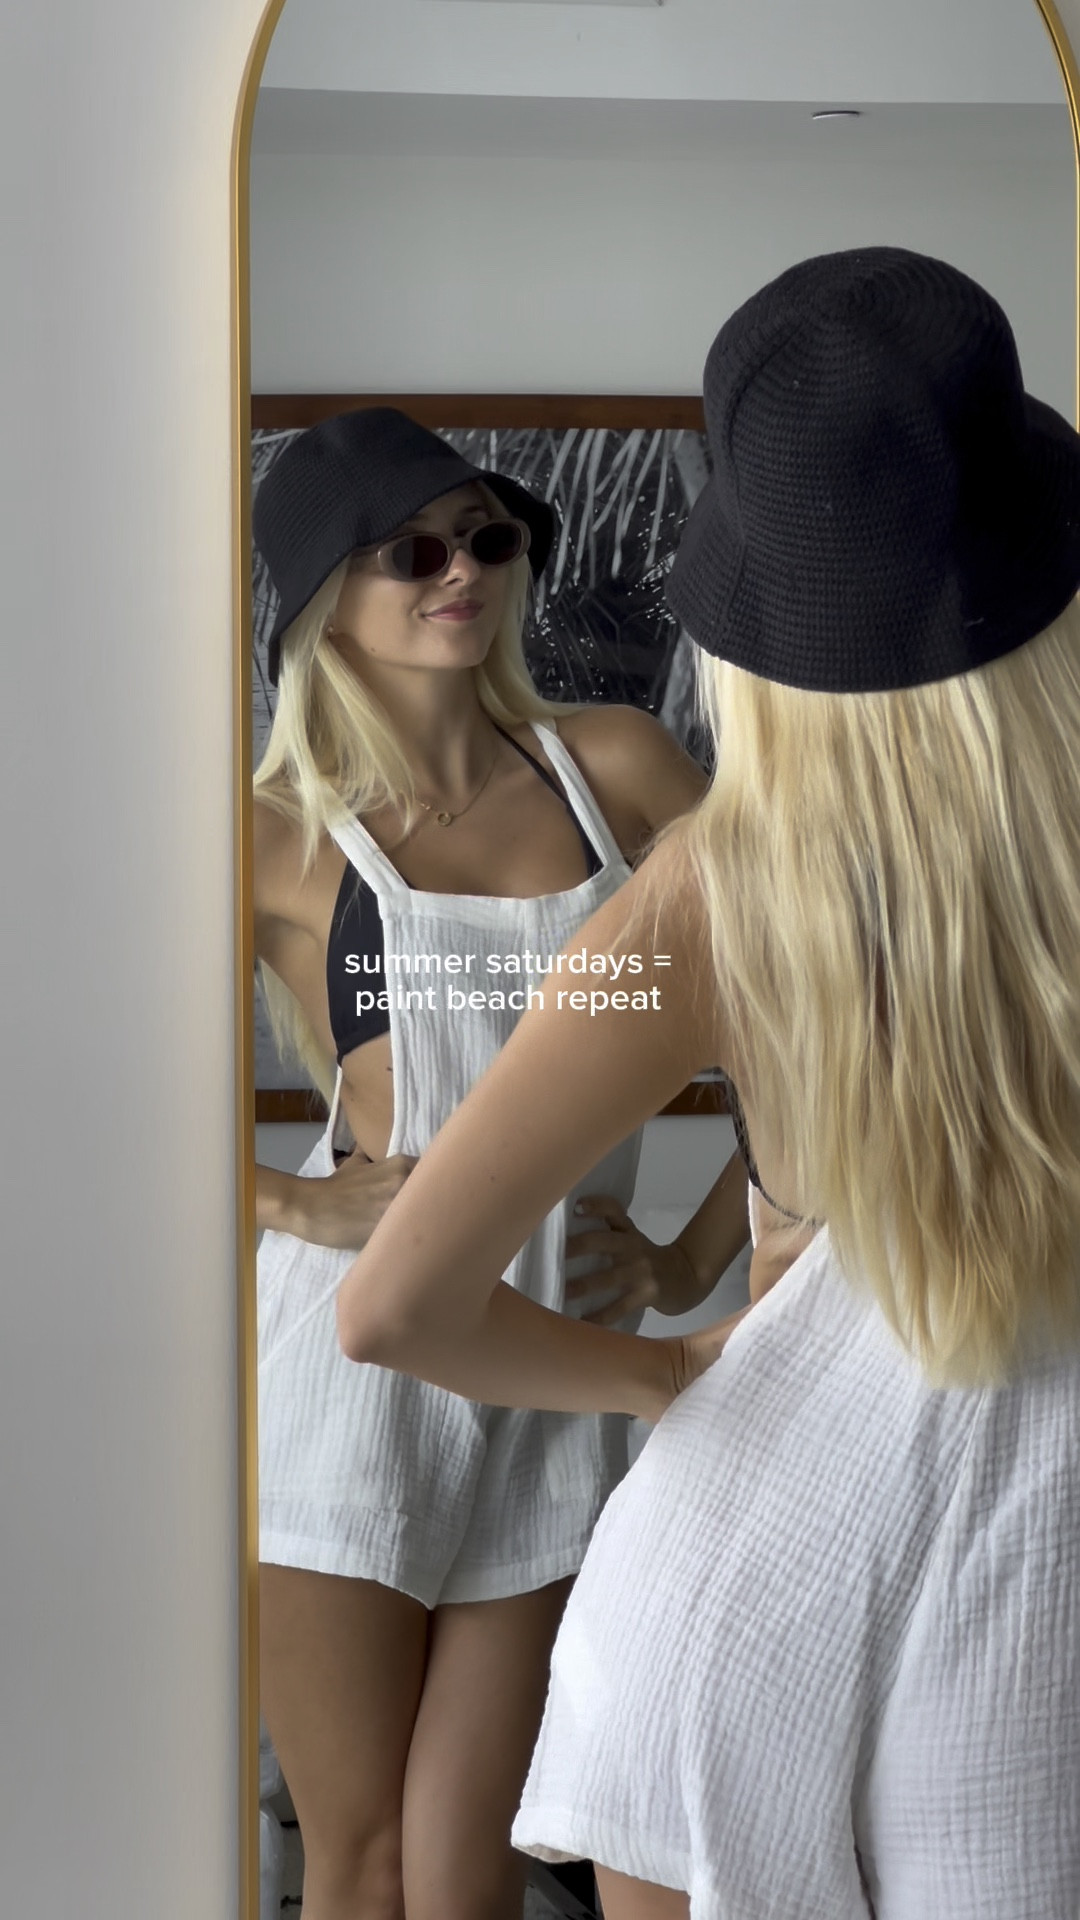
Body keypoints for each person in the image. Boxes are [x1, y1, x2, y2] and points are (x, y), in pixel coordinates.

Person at [335, 253, 1080, 1919]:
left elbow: (393, 1305)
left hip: (755, 1568)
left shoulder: (711, 899)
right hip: (1030, 1589)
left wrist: (668, 1367)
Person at [250, 405, 754, 1920]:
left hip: (556, 1363)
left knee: (473, 1865)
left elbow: (806, 1016)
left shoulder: (618, 767)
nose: (463, 569)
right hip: (354, 1371)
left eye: (487, 538)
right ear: (323, 594)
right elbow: (84, 1102)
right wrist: (291, 1202)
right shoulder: (275, 836)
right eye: (412, 550)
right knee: (363, 1861)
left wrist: (692, 1254)